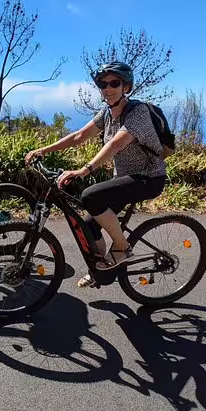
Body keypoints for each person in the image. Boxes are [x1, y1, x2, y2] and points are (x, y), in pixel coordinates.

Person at [25, 61, 167, 287]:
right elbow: (79, 136)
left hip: (149, 178)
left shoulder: (137, 113)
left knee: (90, 196)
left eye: (114, 83)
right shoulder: (107, 114)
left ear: (126, 87)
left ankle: (121, 248)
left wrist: (84, 170)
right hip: (125, 178)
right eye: (103, 83)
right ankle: (101, 270)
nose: (108, 88)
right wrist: (44, 149)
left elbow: (115, 145)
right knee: (89, 225)